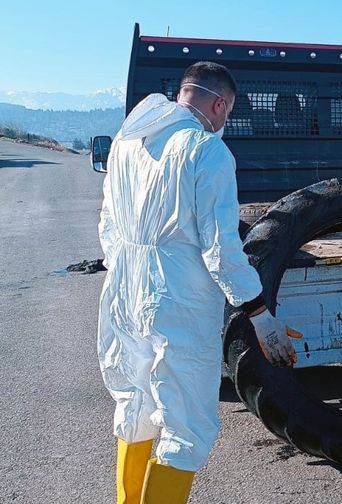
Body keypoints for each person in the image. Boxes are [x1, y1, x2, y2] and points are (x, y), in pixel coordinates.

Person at [98, 61, 300, 503]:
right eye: (227, 113)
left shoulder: (128, 143)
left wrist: (126, 274)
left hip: (124, 290)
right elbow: (220, 248)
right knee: (186, 422)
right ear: (218, 103)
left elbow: (108, 224)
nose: (223, 122)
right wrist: (259, 312)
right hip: (178, 298)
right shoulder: (205, 150)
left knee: (136, 405)